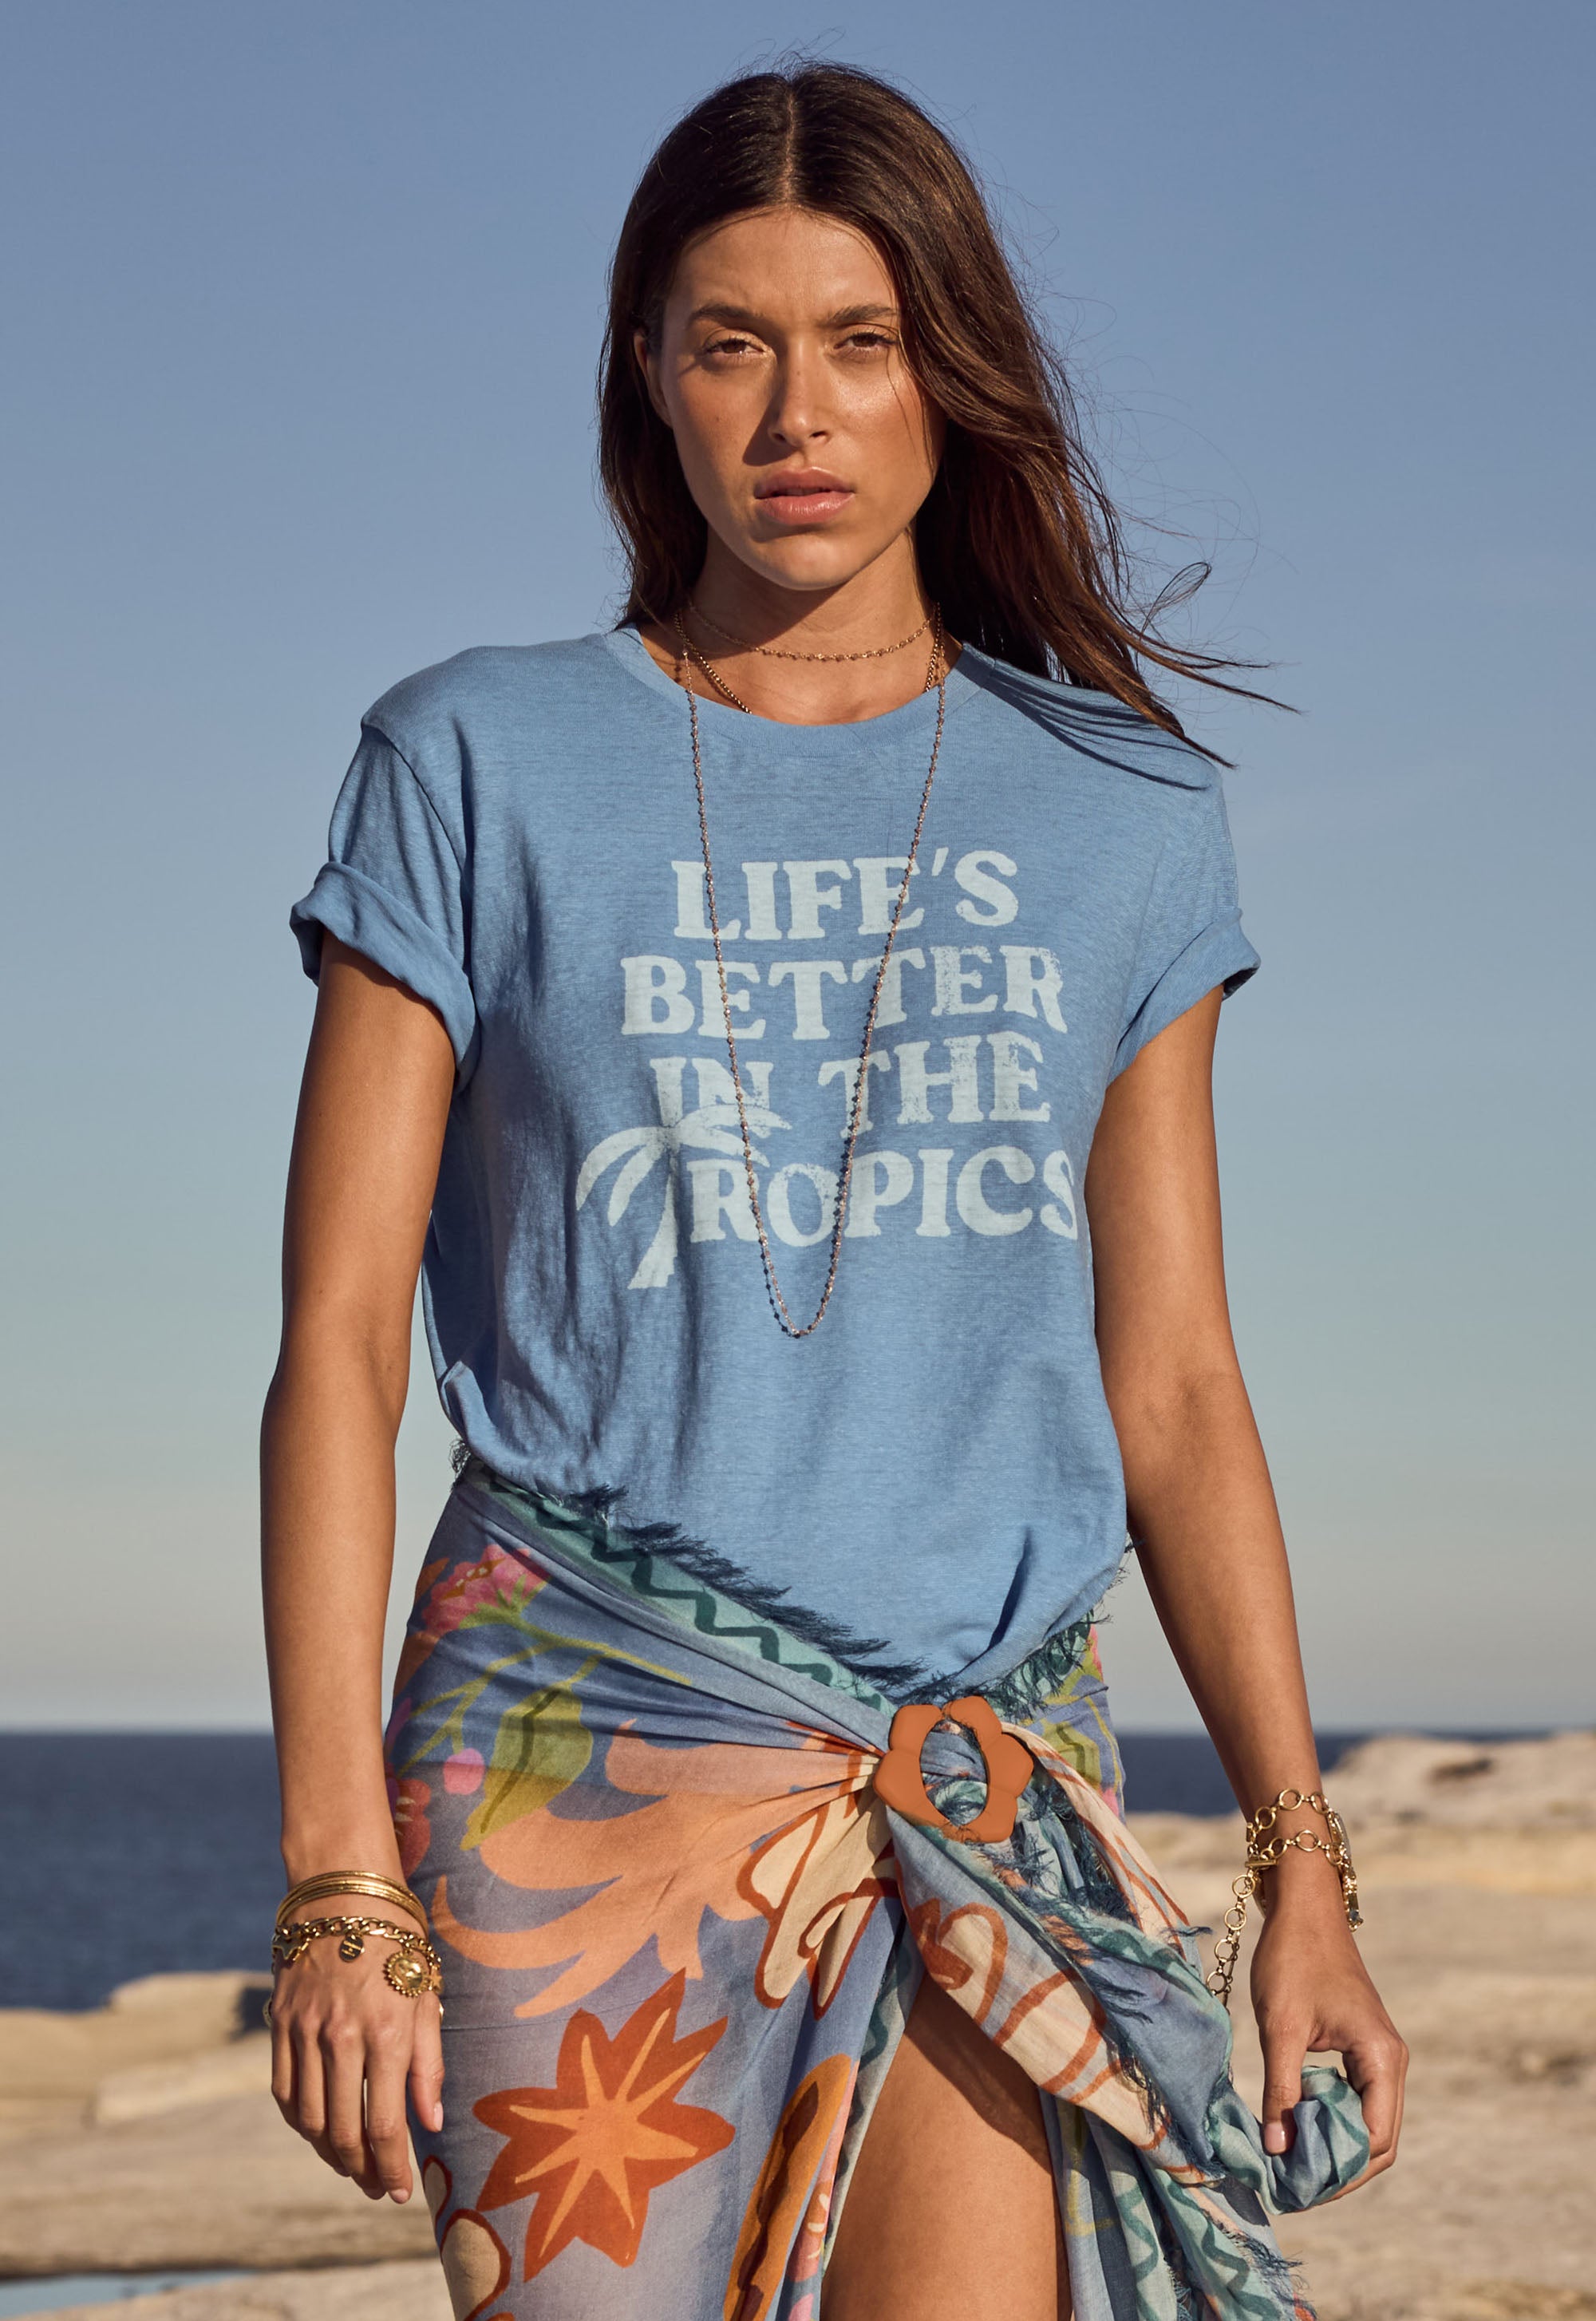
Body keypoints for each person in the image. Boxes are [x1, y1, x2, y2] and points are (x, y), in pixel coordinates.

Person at [262, 59, 1406, 2321]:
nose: (800, 411)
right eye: (730, 340)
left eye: (861, 340)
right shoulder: (471, 758)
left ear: (948, 374)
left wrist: (1303, 1866)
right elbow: (336, 1344)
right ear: (649, 376)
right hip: (567, 1771)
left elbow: (1171, 1376)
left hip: (972, 1764)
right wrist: (332, 1881)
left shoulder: (1124, 812)